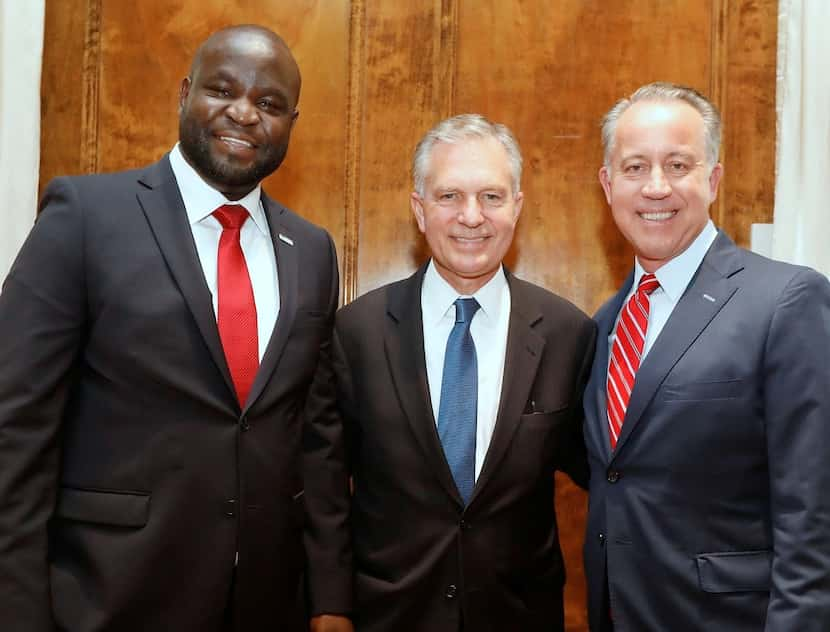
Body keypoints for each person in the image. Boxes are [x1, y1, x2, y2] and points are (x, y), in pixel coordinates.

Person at [0, 25, 340, 631]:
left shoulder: (312, 250)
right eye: (222, 89)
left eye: (268, 104)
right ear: (184, 94)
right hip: (105, 598)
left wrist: (329, 597)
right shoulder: (84, 216)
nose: (243, 113)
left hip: (265, 604)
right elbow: (14, 431)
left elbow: (311, 437)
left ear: (292, 120)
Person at [304, 114, 597, 631]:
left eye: (491, 197)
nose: (471, 217)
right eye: (448, 197)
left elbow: (601, 469)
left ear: (517, 208)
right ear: (420, 210)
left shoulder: (567, 334)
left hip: (519, 615)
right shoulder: (356, 332)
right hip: (387, 615)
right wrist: (330, 605)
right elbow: (325, 480)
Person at [582, 81, 830, 631]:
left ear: (713, 179)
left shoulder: (785, 301)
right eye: (634, 167)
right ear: (607, 184)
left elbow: (811, 508)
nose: (655, 187)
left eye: (678, 165)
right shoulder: (602, 327)